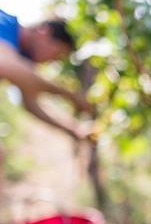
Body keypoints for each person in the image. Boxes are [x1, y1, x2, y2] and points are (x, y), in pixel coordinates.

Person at [0, 8, 94, 140]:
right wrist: (70, 96)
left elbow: (32, 104)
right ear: (44, 31)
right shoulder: (5, 24)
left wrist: (75, 129)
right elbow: (5, 65)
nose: (51, 62)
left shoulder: (20, 56)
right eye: (56, 55)